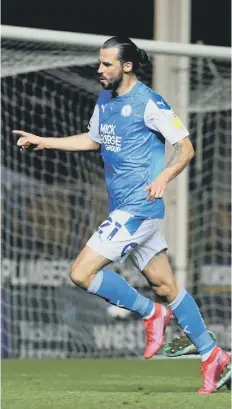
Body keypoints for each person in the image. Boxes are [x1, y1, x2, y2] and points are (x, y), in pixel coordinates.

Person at [13, 36, 230, 394]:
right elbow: (93, 140)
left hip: (138, 208)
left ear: (126, 66)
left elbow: (186, 148)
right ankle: (213, 355)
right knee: (166, 285)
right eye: (100, 63)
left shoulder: (149, 102)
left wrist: (163, 176)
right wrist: (45, 140)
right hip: (127, 208)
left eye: (107, 64)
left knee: (81, 272)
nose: (100, 69)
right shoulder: (105, 100)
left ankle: (151, 313)